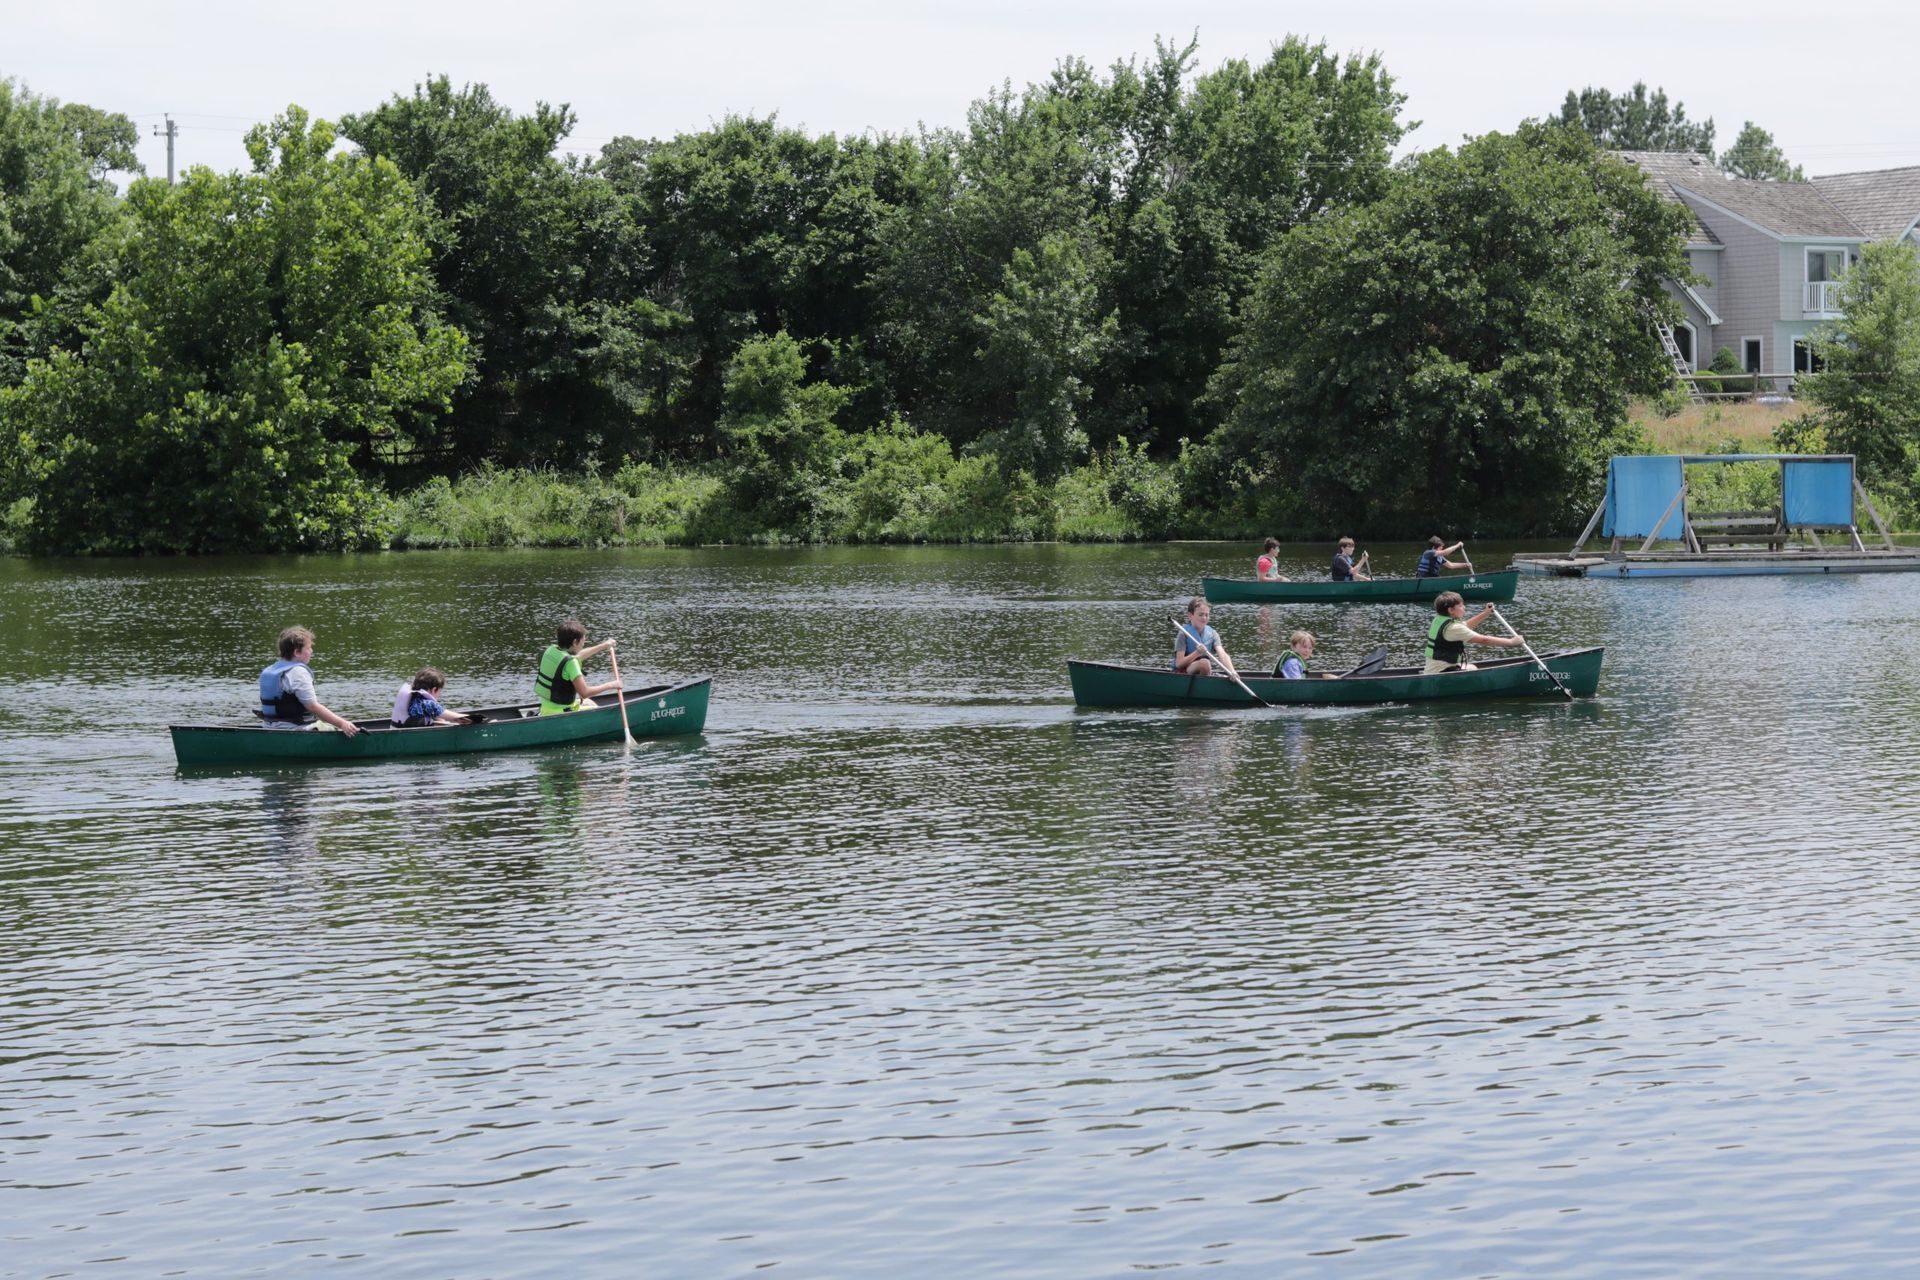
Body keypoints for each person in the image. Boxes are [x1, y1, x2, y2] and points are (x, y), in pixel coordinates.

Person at [257, 625, 360, 736]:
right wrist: (342, 723)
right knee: (334, 729)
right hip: (296, 729)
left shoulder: (269, 670)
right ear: (297, 652)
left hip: (268, 727)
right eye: (308, 648)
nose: (311, 651)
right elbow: (312, 706)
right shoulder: (298, 672)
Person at [1423, 591, 1525, 674]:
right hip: (1440, 671)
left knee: (1471, 667)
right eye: (1461, 606)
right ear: (1451, 610)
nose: (1464, 607)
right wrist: (1511, 642)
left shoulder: (1440, 619)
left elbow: (1466, 626)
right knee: (1472, 669)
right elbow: (1484, 640)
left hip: (1433, 669)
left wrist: (1485, 613)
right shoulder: (1454, 627)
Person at [536, 620, 622, 714]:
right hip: (561, 712)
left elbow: (579, 656)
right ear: (575, 642)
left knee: (588, 702)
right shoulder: (571, 663)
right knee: (593, 705)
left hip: (545, 709)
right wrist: (612, 685)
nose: (583, 645)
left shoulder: (551, 651)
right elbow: (584, 693)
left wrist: (604, 646)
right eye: (583, 642)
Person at [1173, 598, 1238, 678]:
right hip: (1186, 670)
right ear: (1190, 615)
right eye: (1200, 615)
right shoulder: (1183, 634)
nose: (1204, 618)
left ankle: (1205, 683)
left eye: (1206, 615)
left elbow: (1223, 655)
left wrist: (1232, 671)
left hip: (1205, 670)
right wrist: (1197, 653)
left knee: (1206, 664)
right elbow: (1179, 663)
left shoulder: (1213, 633)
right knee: (1205, 663)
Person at [392, 667, 472, 728]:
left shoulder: (415, 698)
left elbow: (433, 715)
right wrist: (472, 719)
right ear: (434, 689)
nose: (439, 695)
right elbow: (461, 718)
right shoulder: (427, 704)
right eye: (440, 691)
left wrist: (441, 720)